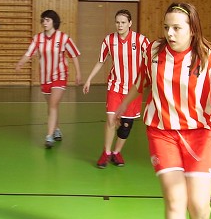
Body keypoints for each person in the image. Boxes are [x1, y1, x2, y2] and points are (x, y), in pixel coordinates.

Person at [115, 2, 211, 219]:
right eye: (166, 27)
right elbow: (141, 81)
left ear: (192, 30)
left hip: (199, 135)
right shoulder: (154, 52)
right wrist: (122, 107)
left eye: (177, 28)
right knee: (175, 199)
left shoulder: (209, 61)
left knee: (199, 207)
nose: (170, 33)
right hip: (162, 132)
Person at [83, 9, 150, 168]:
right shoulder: (108, 40)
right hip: (115, 85)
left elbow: (152, 59)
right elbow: (101, 61)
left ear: (130, 24)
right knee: (111, 120)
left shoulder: (140, 40)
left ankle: (116, 152)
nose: (120, 25)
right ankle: (106, 153)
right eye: (117, 22)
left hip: (134, 89)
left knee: (126, 126)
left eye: (123, 22)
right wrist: (89, 79)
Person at [16, 10, 81, 149]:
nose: (44, 23)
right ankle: (56, 129)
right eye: (43, 20)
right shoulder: (37, 38)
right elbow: (29, 53)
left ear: (54, 22)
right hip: (45, 77)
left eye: (47, 20)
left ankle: (49, 136)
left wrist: (78, 73)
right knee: (52, 106)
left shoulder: (63, 38)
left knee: (52, 105)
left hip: (60, 75)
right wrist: (21, 62)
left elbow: (74, 55)